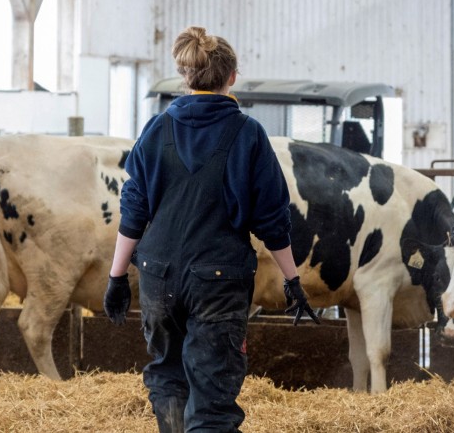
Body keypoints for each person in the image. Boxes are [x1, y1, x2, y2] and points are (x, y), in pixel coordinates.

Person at [104, 26, 319, 433]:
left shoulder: (156, 129)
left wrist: (116, 277)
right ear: (232, 77)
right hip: (218, 279)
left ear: (185, 75)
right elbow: (272, 219)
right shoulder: (248, 134)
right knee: (212, 395)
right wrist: (292, 279)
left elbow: (133, 210)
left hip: (156, 274)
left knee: (168, 376)